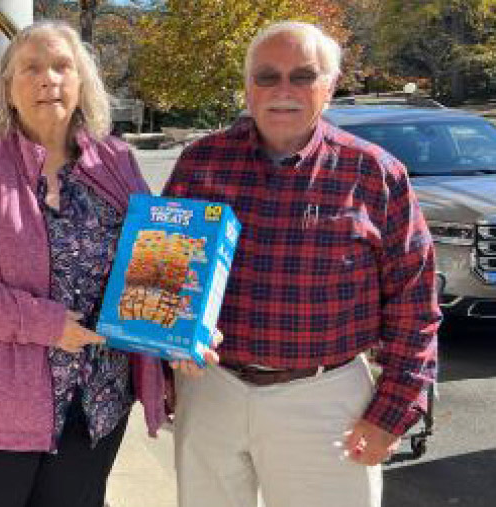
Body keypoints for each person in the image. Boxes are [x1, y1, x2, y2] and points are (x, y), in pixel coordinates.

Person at [0, 21, 211, 507]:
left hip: (92, 408)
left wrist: (179, 330)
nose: (49, 79)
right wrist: (39, 323)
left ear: (84, 81)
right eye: (32, 68)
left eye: (62, 66)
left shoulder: (115, 161)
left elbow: (154, 262)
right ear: (8, 88)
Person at [163, 22, 441, 507]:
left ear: (329, 87)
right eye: (267, 77)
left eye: (303, 76)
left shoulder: (375, 175)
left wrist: (392, 412)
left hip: (327, 399)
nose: (283, 91)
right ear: (248, 87)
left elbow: (415, 306)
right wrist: (166, 351)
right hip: (211, 391)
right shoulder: (200, 164)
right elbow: (164, 273)